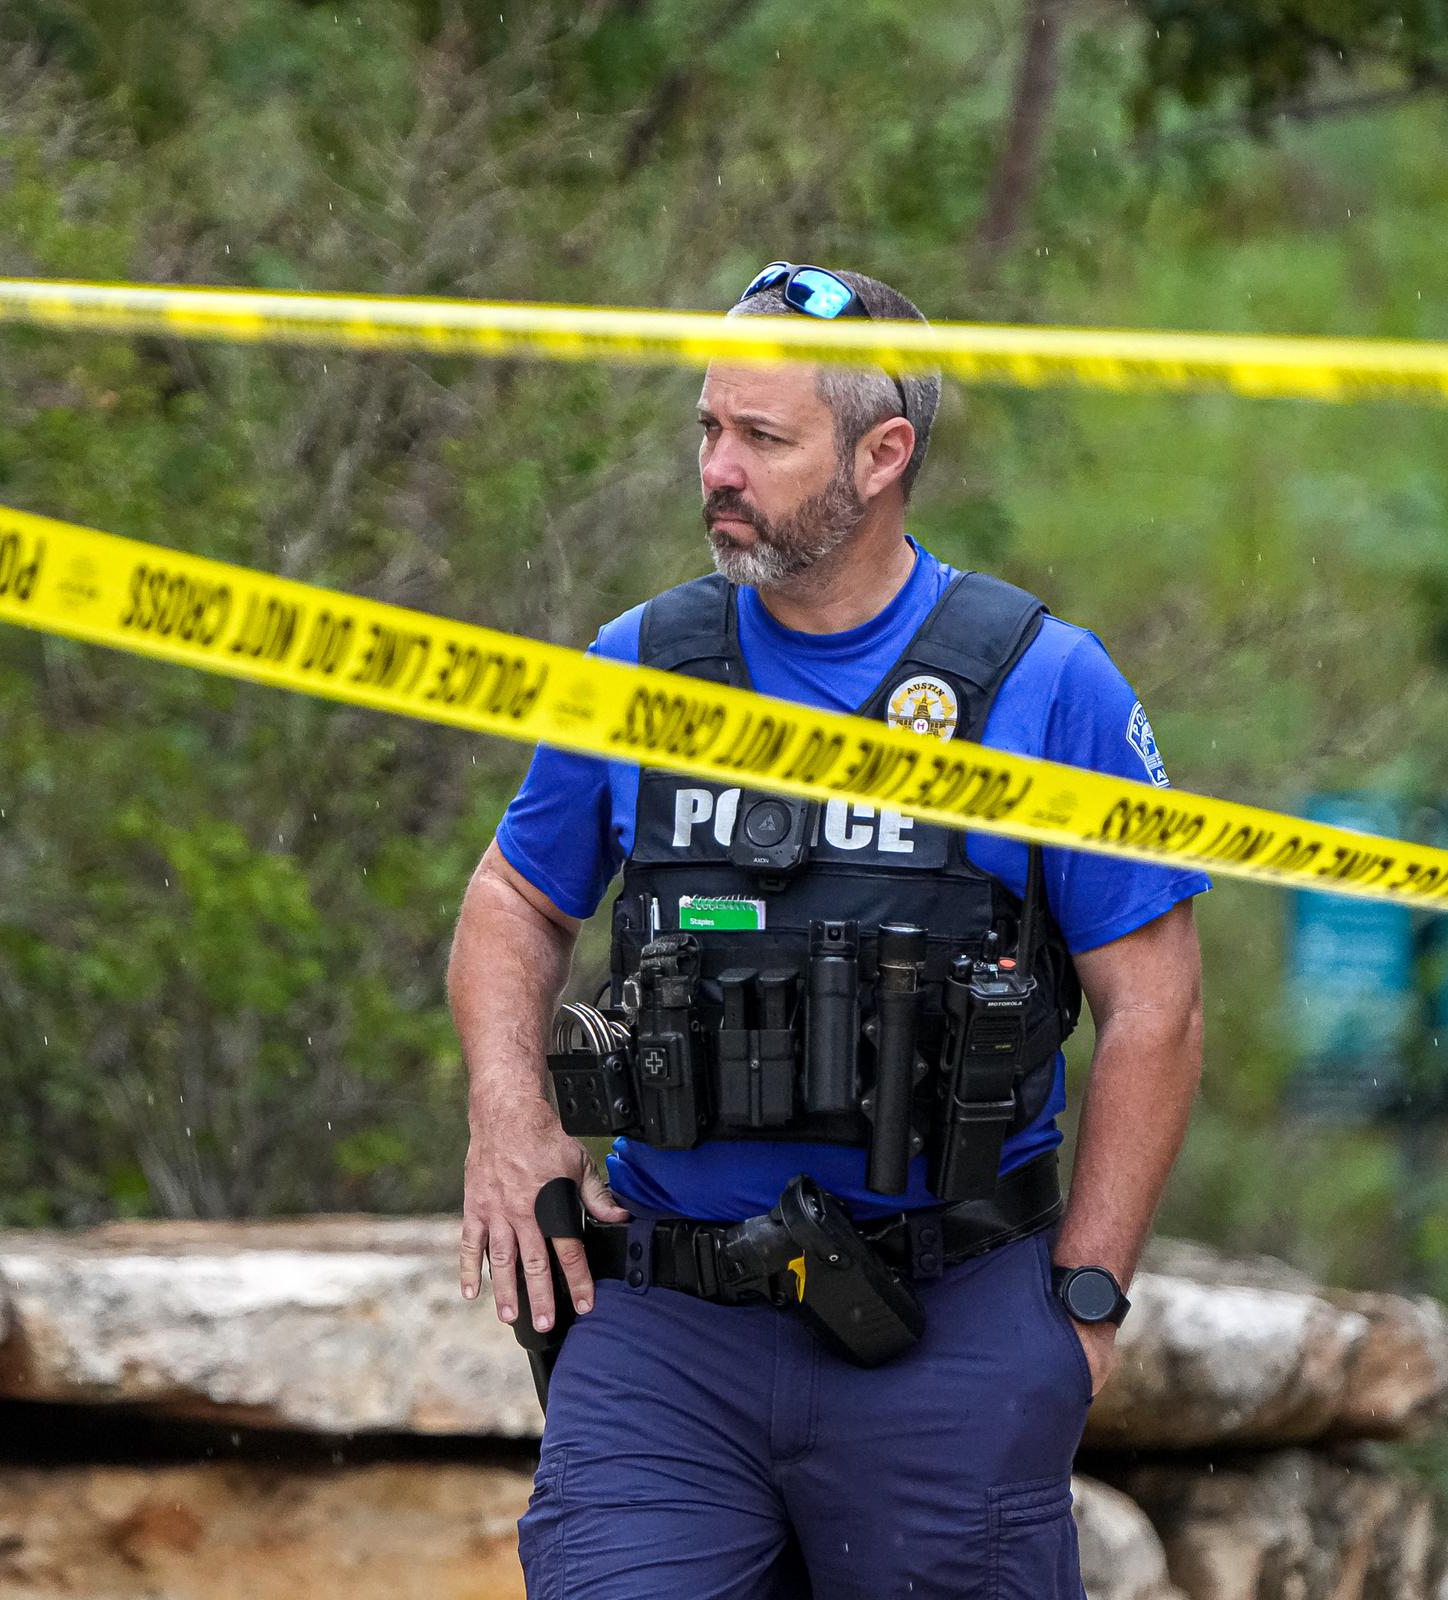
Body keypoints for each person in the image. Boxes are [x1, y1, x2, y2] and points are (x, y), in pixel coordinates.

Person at [447, 262, 1208, 1599]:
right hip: (673, 1332)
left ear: (883, 452)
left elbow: (1158, 1008)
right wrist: (511, 1117)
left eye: (760, 438)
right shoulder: (639, 666)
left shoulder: (1044, 685)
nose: (717, 471)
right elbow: (513, 898)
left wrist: (1082, 1306)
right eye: (707, 430)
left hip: (951, 1325)